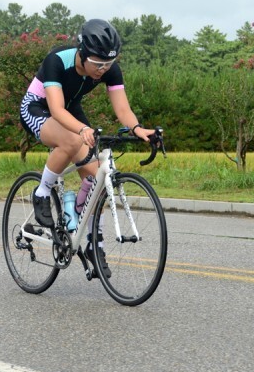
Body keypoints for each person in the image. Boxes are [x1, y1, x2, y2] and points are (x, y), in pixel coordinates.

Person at [19, 18, 157, 276]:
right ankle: (42, 192)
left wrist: (138, 130)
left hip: (70, 110)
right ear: (83, 53)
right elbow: (57, 109)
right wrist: (82, 129)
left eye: (108, 63)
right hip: (38, 107)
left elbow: (122, 109)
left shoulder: (109, 68)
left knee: (96, 180)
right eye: (98, 63)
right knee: (71, 140)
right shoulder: (57, 60)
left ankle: (95, 241)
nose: (103, 69)